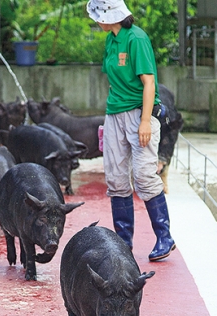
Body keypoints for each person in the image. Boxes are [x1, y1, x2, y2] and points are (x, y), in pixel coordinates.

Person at [86, 0, 175, 261]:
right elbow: (114, 81)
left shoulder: (136, 39)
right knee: (116, 178)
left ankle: (165, 238)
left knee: (145, 176)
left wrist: (146, 121)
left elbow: (149, 83)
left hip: (140, 112)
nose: (96, 21)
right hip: (115, 114)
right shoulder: (110, 41)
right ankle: (123, 242)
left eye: (98, 16)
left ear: (110, 16)